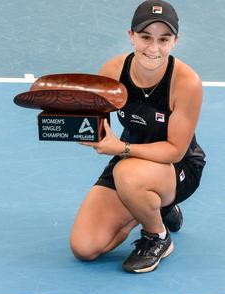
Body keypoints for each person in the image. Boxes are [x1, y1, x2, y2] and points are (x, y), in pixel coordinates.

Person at [70, 0, 206, 273]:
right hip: (128, 159)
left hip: (177, 168)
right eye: (145, 37)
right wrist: (71, 123)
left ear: (175, 41)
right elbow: (97, 125)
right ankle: (158, 207)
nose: (154, 48)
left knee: (128, 175)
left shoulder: (186, 83)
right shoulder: (112, 72)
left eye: (163, 39)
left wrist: (120, 147)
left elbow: (175, 150)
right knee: (84, 247)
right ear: (131, 36)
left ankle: (157, 236)